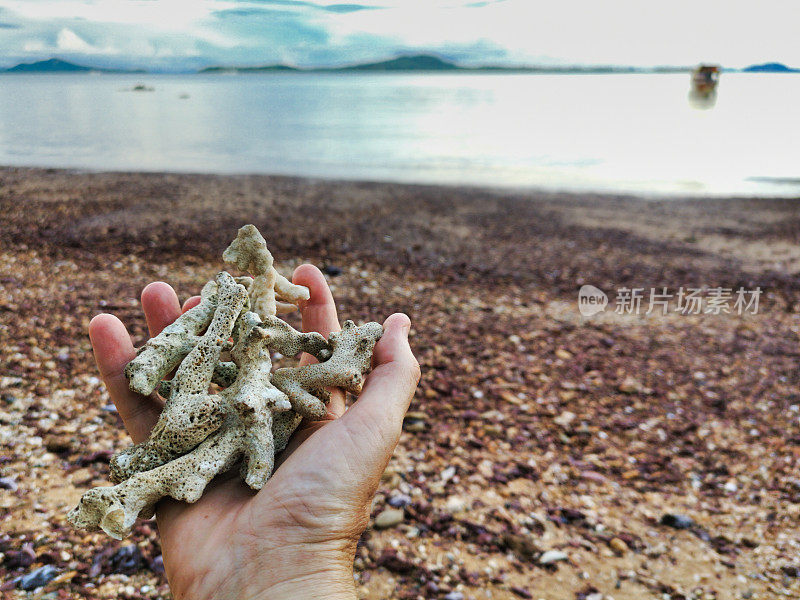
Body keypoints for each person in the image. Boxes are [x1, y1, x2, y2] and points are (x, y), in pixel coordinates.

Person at [88, 264, 421, 600]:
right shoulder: (259, 375)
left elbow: (292, 400)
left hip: (244, 407)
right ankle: (130, 490)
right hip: (229, 403)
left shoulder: (269, 390)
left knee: (236, 413)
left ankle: (130, 492)